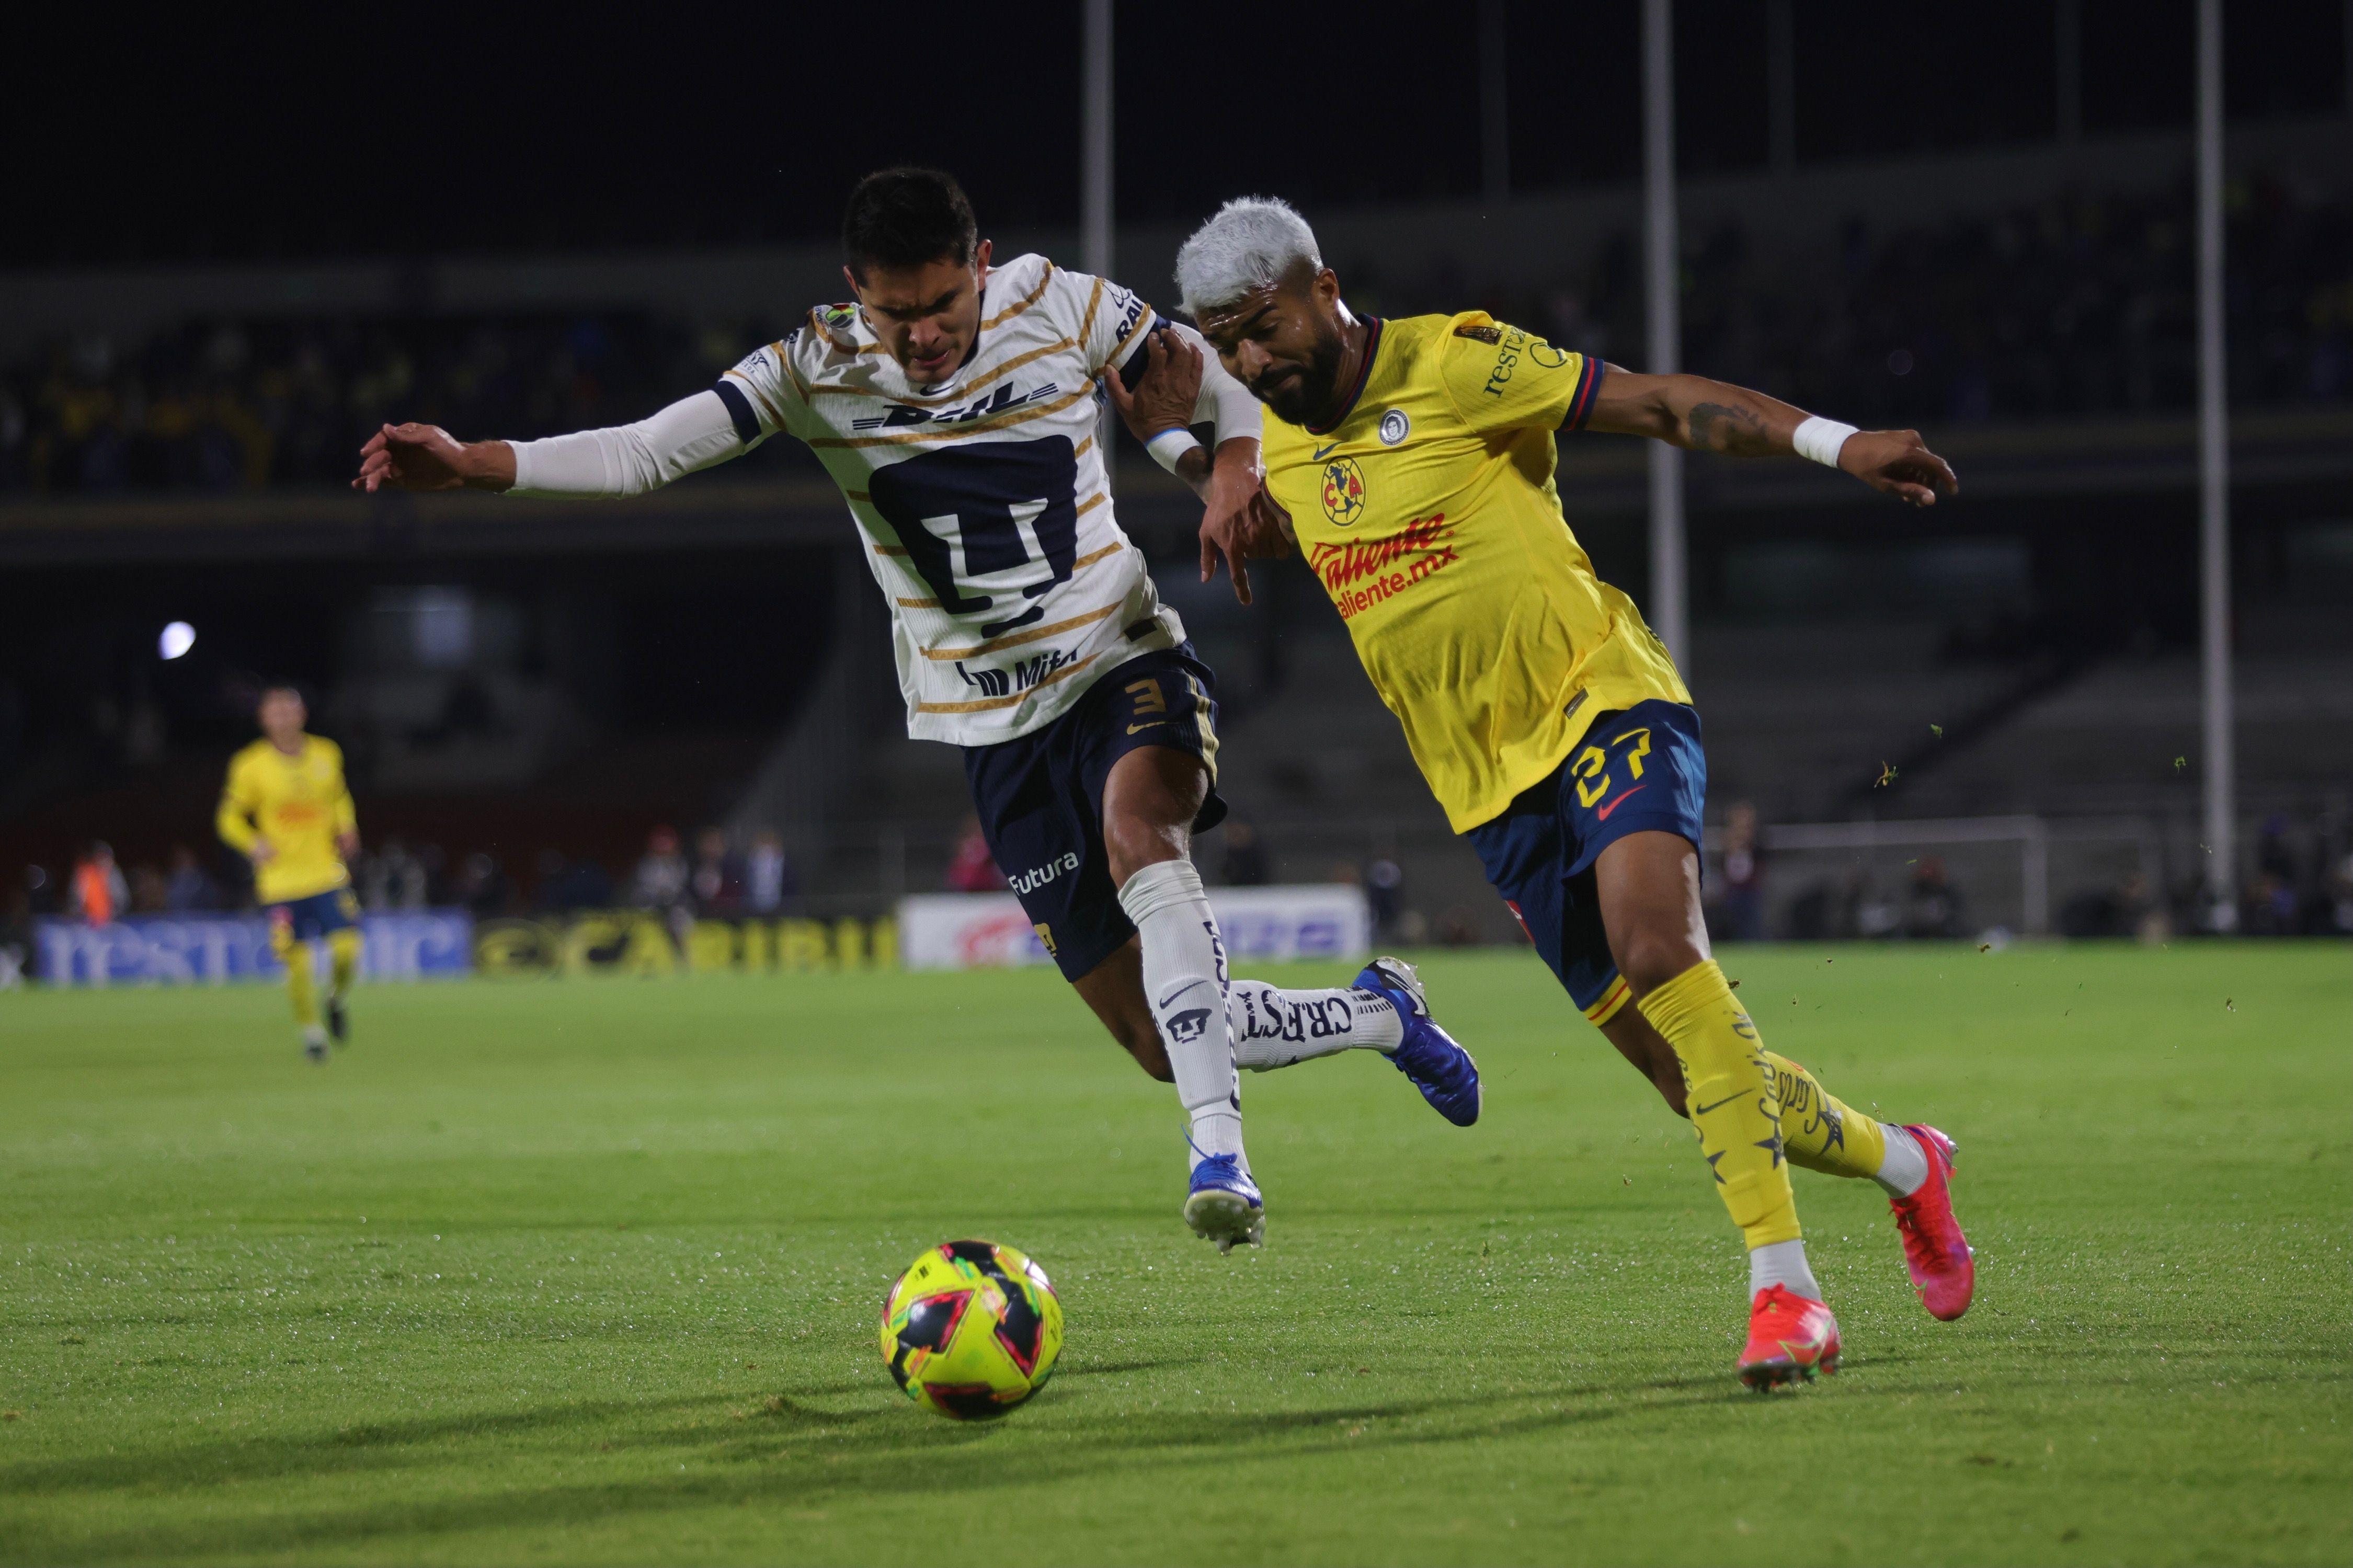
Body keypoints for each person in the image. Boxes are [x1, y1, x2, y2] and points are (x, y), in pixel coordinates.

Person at [352, 168, 1480, 1253]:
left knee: (1144, 834)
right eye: (898, 313)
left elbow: (1214, 372)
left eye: (944, 303)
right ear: (857, 290)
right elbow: (645, 452)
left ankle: (1219, 1157)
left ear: (980, 264)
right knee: (1162, 1036)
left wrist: (1233, 461)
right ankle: (1379, 1011)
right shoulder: (813, 367)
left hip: (1121, 655)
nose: (926, 334)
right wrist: (474, 463)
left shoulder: (1060, 302)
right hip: (993, 731)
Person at [1175, 197, 1973, 1384]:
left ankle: (1787, 1294)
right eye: (1227, 342)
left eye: (1264, 325)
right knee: (1686, 1074)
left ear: (1323, 290)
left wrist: (1835, 443)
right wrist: (1221, 474)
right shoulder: (1277, 442)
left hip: (1601, 697)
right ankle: (1907, 1161)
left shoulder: (1455, 363)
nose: (1250, 359)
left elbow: (1658, 403)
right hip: (1486, 791)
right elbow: (1252, 460)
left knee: (1659, 949)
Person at [215, 685, 362, 1062]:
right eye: (275, 712)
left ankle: (336, 998)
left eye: (289, 711)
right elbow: (228, 818)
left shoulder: (327, 753)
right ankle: (312, 1033)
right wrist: (253, 843)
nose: (283, 719)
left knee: (347, 950)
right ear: (263, 720)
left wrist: (347, 826)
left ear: (302, 715)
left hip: (327, 873)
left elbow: (339, 796)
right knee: (297, 963)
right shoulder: (250, 765)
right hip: (281, 881)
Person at [68, 841, 127, 925]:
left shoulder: (112, 873)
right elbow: (76, 897)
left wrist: (114, 914)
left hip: (109, 921)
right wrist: (78, 913)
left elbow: (121, 899)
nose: (103, 860)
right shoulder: (84, 872)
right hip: (85, 921)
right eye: (100, 856)